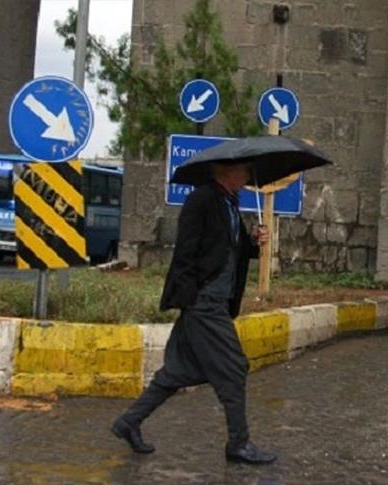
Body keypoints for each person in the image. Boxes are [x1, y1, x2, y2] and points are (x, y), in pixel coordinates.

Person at [111, 162, 277, 465]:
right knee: (234, 367)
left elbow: (228, 249)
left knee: (178, 372)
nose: (248, 177)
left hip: (217, 301)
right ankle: (239, 443)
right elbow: (186, 252)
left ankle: (129, 422)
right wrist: (192, 298)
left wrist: (254, 241)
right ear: (225, 171)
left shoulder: (230, 203)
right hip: (204, 302)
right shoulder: (202, 200)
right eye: (244, 171)